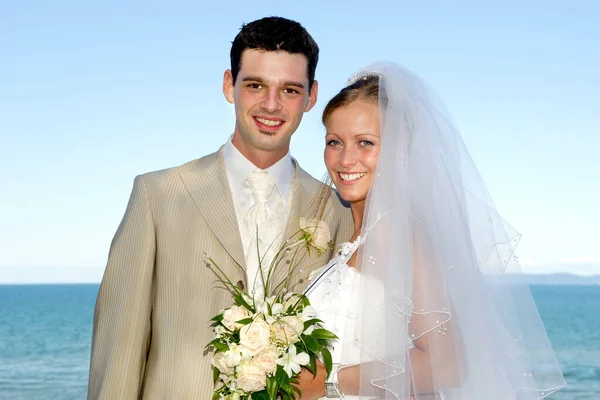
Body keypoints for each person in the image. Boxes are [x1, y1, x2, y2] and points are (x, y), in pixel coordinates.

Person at [86, 17, 353, 399]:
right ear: (230, 85)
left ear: (311, 96)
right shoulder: (156, 195)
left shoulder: (336, 209)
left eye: (290, 89)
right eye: (255, 85)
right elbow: (119, 349)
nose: (271, 104)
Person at [302, 62, 566, 399]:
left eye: (365, 143)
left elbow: (447, 364)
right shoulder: (359, 239)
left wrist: (329, 381)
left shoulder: (397, 236)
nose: (345, 159)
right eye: (335, 142)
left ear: (398, 150)